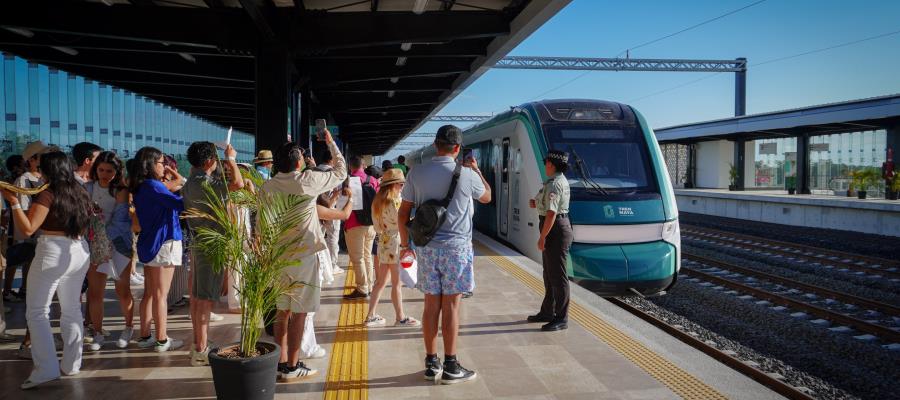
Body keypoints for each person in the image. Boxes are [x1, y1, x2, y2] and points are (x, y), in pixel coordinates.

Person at [398, 125, 491, 384]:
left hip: (426, 248)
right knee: (451, 307)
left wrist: (406, 245)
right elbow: (487, 197)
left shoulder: (416, 172)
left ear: (435, 145)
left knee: (430, 306)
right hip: (456, 251)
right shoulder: (468, 175)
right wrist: (477, 171)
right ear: (458, 149)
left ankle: (431, 363)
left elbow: (403, 214)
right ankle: (451, 365)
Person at [1, 151, 93, 389]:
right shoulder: (80, 191)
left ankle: (46, 369)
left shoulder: (48, 193)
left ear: (48, 170)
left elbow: (28, 229)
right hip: (79, 250)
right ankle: (72, 365)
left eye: (41, 168)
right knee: (72, 309)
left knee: (37, 312)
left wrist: (13, 203)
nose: (38, 172)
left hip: (52, 250)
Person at [262, 129, 345, 382]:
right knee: (300, 312)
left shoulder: (267, 187)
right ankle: (293, 365)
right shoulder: (306, 181)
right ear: (299, 162)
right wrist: (331, 142)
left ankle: (280, 362)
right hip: (304, 256)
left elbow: (262, 227)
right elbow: (341, 171)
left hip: (278, 256)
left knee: (281, 311)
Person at [182, 141, 244, 367]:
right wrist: (232, 159)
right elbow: (237, 183)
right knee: (206, 299)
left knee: (199, 297)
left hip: (199, 241)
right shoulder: (208, 183)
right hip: (212, 244)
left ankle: (199, 343)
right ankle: (200, 349)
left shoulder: (189, 183)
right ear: (209, 161)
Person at [129, 146, 185, 352]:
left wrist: (172, 177)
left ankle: (145, 336)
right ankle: (162, 339)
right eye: (162, 163)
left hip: (150, 242)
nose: (165, 167)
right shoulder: (154, 185)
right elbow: (180, 204)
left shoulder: (143, 186)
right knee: (161, 294)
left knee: (150, 293)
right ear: (151, 164)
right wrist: (180, 178)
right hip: (164, 242)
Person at [84, 151, 137, 350]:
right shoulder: (87, 187)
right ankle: (97, 333)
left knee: (122, 290)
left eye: (109, 171)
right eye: (101, 170)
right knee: (95, 292)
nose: (104, 174)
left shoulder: (121, 190)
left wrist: (99, 229)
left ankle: (128, 327)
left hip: (118, 244)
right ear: (95, 169)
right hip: (95, 244)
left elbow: (121, 220)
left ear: (117, 172)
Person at [364, 168, 421, 328]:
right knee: (396, 284)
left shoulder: (377, 201)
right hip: (396, 242)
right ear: (394, 184)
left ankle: (371, 315)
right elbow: (402, 222)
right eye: (401, 184)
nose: (402, 187)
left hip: (383, 242)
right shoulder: (396, 201)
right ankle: (400, 318)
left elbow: (376, 226)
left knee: (381, 282)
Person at [527, 150, 573, 331]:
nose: (544, 165)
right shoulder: (554, 181)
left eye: (546, 162)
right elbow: (548, 205)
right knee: (549, 273)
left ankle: (561, 318)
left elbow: (552, 213)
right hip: (555, 226)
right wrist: (536, 203)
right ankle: (547, 311)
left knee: (558, 276)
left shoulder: (555, 184)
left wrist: (542, 237)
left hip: (555, 230)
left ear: (552, 164)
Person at [343, 156, 378, 299]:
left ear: (350, 166)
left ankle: (362, 289)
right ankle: (369, 285)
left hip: (353, 223)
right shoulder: (373, 180)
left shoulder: (347, 181)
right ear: (363, 166)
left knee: (357, 258)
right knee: (367, 256)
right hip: (371, 224)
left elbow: (342, 203)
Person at [314, 150, 344, 278]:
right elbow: (338, 192)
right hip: (330, 208)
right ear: (332, 160)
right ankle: (332, 265)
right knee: (332, 238)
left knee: (318, 236)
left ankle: (318, 264)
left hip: (315, 209)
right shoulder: (333, 173)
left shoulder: (314, 171)